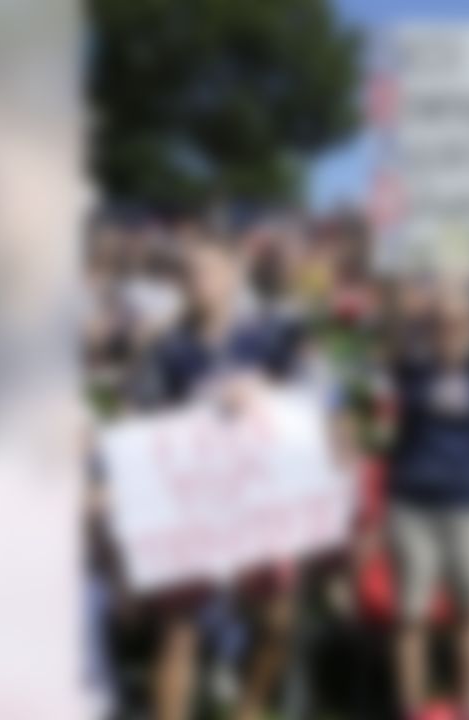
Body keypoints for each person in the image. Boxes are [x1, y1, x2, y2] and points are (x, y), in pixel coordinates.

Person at [129, 239, 301, 720]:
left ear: (231, 278)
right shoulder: (166, 348)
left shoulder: (266, 339)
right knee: (178, 633)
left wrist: (271, 392)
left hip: (258, 496)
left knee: (277, 622)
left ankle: (249, 708)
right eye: (187, 272)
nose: (194, 281)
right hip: (192, 502)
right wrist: (197, 412)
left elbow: (312, 396)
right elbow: (139, 422)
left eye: (205, 270)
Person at [381, 285, 469, 720]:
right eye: (438, 322)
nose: (448, 330)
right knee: (410, 615)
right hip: (414, 506)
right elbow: (393, 315)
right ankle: (412, 709)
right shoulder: (412, 368)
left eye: (457, 322)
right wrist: (393, 262)